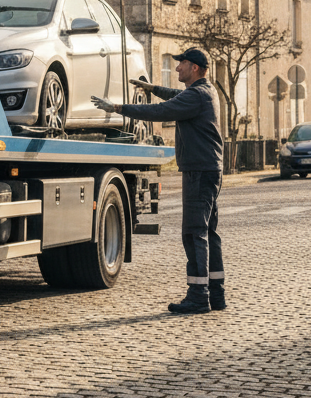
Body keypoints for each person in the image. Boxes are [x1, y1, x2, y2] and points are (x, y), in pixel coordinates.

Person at [92, 47, 225, 314]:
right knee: (208, 232)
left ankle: (199, 295)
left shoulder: (196, 96)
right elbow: (174, 96)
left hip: (199, 172)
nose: (177, 68)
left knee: (194, 233)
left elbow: (161, 111)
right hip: (209, 169)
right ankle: (216, 294)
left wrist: (118, 108)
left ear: (195, 68)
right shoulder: (205, 91)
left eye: (181, 64)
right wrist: (151, 87)